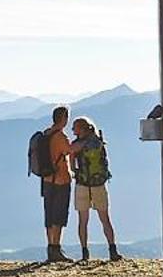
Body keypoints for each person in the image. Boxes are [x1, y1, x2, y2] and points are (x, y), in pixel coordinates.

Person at [69, 115, 120, 262]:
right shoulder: (98, 141)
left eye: (75, 128)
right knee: (105, 219)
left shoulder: (78, 144)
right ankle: (112, 250)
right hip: (99, 184)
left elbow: (70, 153)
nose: (73, 131)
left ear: (81, 129)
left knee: (83, 220)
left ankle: (85, 253)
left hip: (82, 184)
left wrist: (73, 170)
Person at [36, 105, 74, 264]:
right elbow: (69, 150)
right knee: (59, 216)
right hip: (60, 180)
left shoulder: (45, 134)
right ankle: (56, 248)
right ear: (64, 118)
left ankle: (50, 247)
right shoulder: (60, 136)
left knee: (49, 215)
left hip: (46, 180)